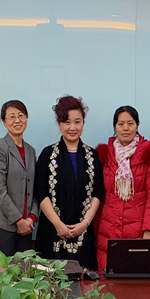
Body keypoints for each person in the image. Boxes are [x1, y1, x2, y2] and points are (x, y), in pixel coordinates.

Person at [34, 95, 103, 270]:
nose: (72, 127)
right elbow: (40, 191)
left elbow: (97, 193)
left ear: (83, 124)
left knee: (84, 280)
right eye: (67, 122)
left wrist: (85, 224)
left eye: (77, 122)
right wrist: (58, 224)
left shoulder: (93, 156)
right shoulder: (47, 155)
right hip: (51, 231)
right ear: (59, 124)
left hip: (84, 233)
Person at [96, 106, 150, 272]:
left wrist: (149, 230)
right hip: (109, 229)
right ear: (115, 127)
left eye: (130, 123)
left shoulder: (148, 154)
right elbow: (100, 195)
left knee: (136, 279)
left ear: (137, 125)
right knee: (108, 279)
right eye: (121, 124)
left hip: (138, 230)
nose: (125, 128)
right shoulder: (106, 155)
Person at [0, 100, 39, 260]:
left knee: (24, 273)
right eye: (11, 117)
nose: (17, 120)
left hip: (27, 227)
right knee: (3, 272)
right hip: (3, 226)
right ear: (4, 122)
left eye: (21, 116)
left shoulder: (31, 151)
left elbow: (35, 188)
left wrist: (31, 217)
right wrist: (18, 220)